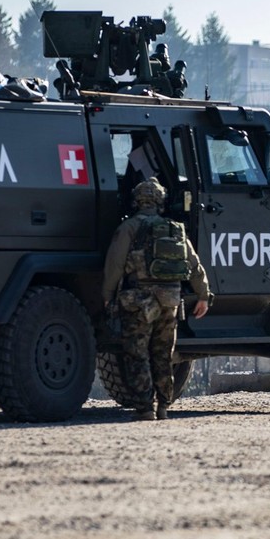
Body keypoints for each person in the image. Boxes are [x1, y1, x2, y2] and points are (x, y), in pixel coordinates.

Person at [103, 178, 212, 420]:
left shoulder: (129, 228)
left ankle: (145, 408)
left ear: (137, 201)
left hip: (139, 302)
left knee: (137, 353)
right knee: (163, 353)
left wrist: (107, 295)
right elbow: (194, 265)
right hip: (170, 301)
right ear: (161, 201)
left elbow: (115, 265)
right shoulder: (174, 229)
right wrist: (203, 295)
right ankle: (163, 405)